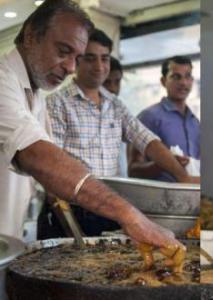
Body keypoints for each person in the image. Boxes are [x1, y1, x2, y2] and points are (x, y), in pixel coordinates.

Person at [0, 0, 184, 263]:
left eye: (76, 57)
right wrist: (130, 215)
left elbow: (144, 138)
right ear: (31, 35)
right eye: (63, 51)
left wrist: (182, 176)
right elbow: (39, 156)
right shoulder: (4, 81)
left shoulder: (36, 93)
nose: (71, 68)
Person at [38, 29, 198, 238]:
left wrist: (182, 176)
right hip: (68, 212)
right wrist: (65, 218)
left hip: (108, 209)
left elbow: (147, 140)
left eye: (104, 59)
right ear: (76, 61)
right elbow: (52, 167)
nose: (99, 66)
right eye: (90, 58)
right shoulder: (56, 104)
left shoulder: (115, 105)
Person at [128, 56, 200, 182]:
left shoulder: (195, 123)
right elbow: (133, 170)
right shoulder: (148, 117)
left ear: (192, 81)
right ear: (163, 81)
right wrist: (166, 164)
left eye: (187, 76)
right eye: (176, 77)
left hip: (193, 196)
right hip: (160, 198)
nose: (183, 82)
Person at [103, 56, 128, 177]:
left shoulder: (120, 109)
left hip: (121, 184)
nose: (113, 88)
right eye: (106, 82)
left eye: (117, 82)